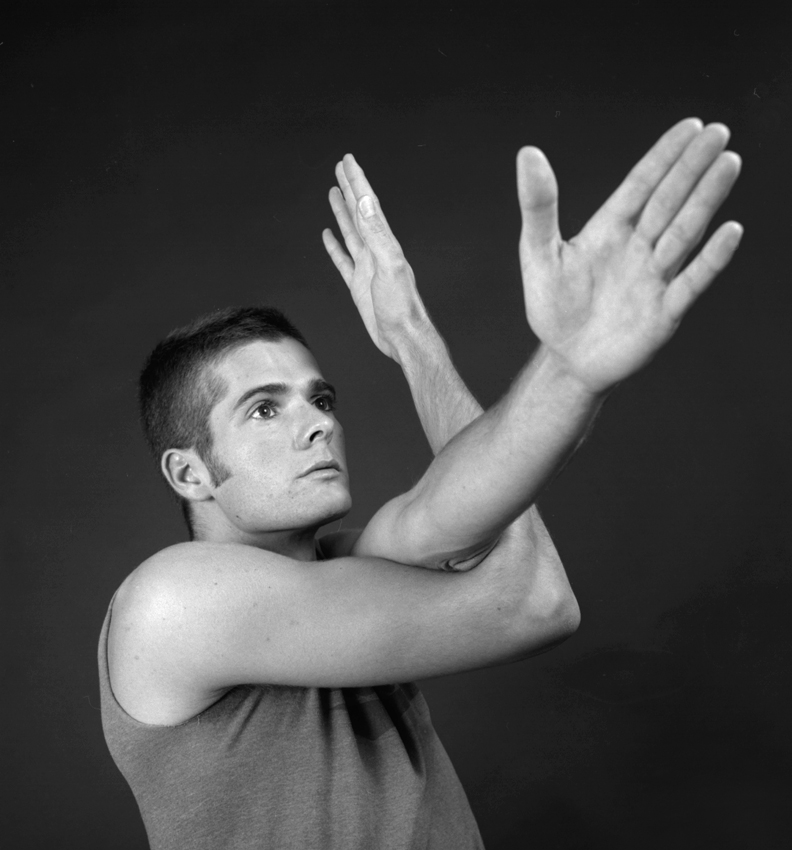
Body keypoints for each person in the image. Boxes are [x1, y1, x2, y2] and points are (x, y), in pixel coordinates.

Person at [98, 118, 742, 849]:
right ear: (188, 472)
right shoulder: (173, 603)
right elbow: (529, 603)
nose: (317, 424)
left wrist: (433, 340)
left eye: (320, 400)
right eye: (265, 409)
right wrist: (566, 371)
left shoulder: (350, 564)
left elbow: (481, 511)